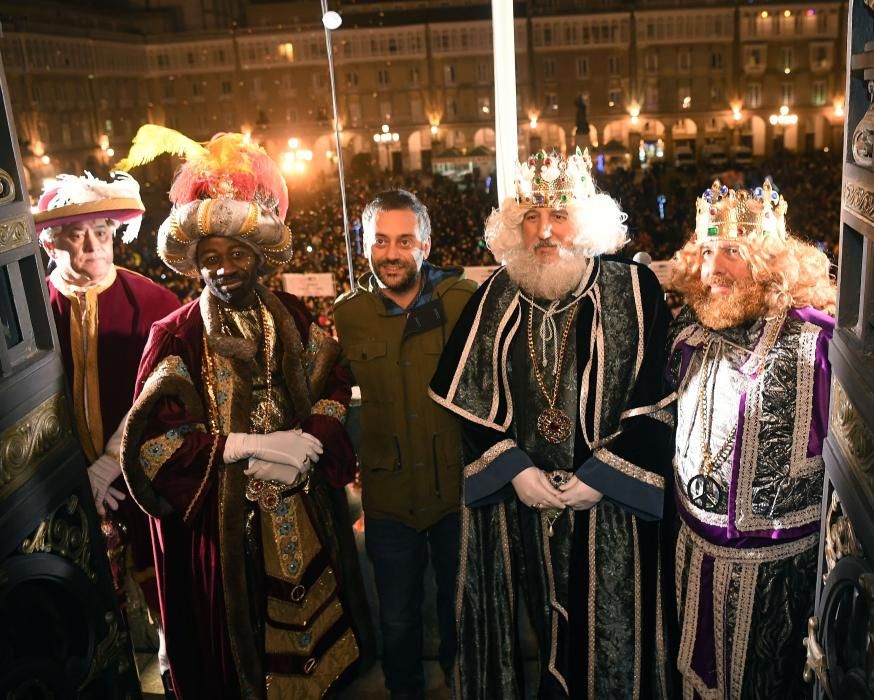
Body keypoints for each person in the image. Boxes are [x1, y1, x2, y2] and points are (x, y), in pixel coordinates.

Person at [117, 127, 370, 699]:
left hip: (300, 509)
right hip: (222, 525)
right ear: (195, 265)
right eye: (211, 258)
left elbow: (333, 379)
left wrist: (310, 442)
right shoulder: (175, 335)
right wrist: (248, 449)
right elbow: (154, 445)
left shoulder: (291, 314)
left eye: (237, 255)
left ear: (259, 260)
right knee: (240, 647)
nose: (224, 268)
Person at [429, 149, 677, 699]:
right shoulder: (494, 295)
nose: (544, 231)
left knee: (614, 644)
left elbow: (659, 401)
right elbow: (467, 403)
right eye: (530, 217)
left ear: (585, 222)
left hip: (612, 513)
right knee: (542, 636)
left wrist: (603, 478)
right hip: (529, 512)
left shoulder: (634, 291)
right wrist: (516, 472)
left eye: (559, 214)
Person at [667, 179, 835, 698]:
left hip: (779, 578)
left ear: (770, 261)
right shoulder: (686, 337)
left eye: (734, 252)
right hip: (693, 558)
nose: (715, 269)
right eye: (708, 250)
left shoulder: (818, 344)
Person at [34, 171, 181, 687]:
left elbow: (168, 399)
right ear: (51, 242)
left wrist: (109, 465)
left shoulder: (158, 303)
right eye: (77, 234)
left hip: (143, 488)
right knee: (85, 628)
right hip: (59, 500)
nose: (94, 245)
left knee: (172, 616)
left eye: (102, 231)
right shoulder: (29, 311)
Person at [333, 190, 476, 700]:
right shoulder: (348, 314)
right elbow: (325, 392)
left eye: (404, 241)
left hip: (455, 492)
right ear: (365, 244)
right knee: (396, 620)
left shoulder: (461, 301)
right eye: (380, 241)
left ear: (426, 243)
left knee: (463, 614)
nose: (391, 254)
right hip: (389, 497)